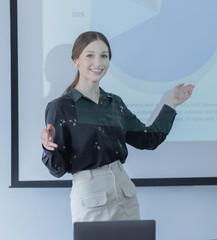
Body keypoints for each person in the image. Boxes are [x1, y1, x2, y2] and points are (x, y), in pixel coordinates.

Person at [40, 31, 194, 223]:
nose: (98, 62)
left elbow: (148, 139)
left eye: (104, 56)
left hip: (124, 192)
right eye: (90, 55)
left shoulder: (114, 103)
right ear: (75, 61)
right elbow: (58, 169)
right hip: (90, 197)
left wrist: (171, 103)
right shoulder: (61, 107)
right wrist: (48, 148)